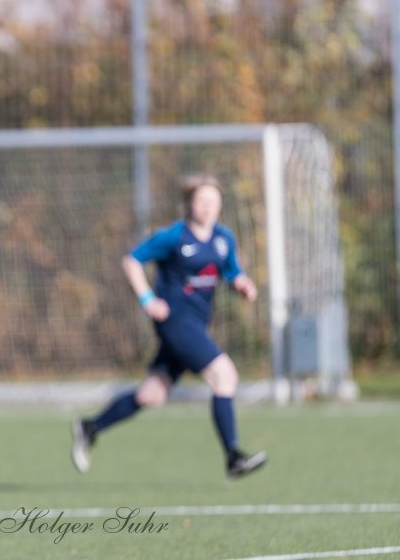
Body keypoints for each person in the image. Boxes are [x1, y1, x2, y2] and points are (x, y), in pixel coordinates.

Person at [70, 173, 266, 480]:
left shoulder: (223, 238)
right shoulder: (173, 237)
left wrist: (242, 284)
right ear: (188, 204)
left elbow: (231, 271)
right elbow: (132, 261)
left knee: (152, 394)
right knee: (224, 375)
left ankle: (90, 427)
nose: (208, 207)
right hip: (174, 321)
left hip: (196, 324)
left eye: (213, 201)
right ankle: (233, 457)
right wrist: (147, 298)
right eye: (201, 200)